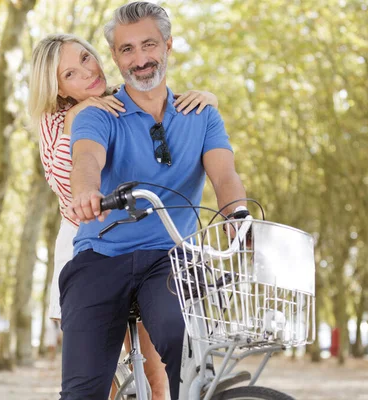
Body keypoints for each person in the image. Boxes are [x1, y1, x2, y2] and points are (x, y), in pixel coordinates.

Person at [63, 2, 248, 400]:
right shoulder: (100, 113)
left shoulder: (201, 115)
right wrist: (85, 191)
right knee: (82, 390)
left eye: (149, 45)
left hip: (172, 256)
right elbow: (87, 159)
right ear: (115, 57)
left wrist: (237, 213)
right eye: (127, 49)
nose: (141, 59)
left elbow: (224, 174)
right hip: (101, 253)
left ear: (167, 45)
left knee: (184, 346)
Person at [28, 33, 219, 400]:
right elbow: (67, 182)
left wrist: (208, 100)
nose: (87, 72)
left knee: (158, 370)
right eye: (71, 73)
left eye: (86, 58)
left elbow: (167, 109)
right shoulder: (55, 124)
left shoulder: (124, 99)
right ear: (59, 88)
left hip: (145, 239)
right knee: (101, 372)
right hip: (85, 243)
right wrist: (80, 114)